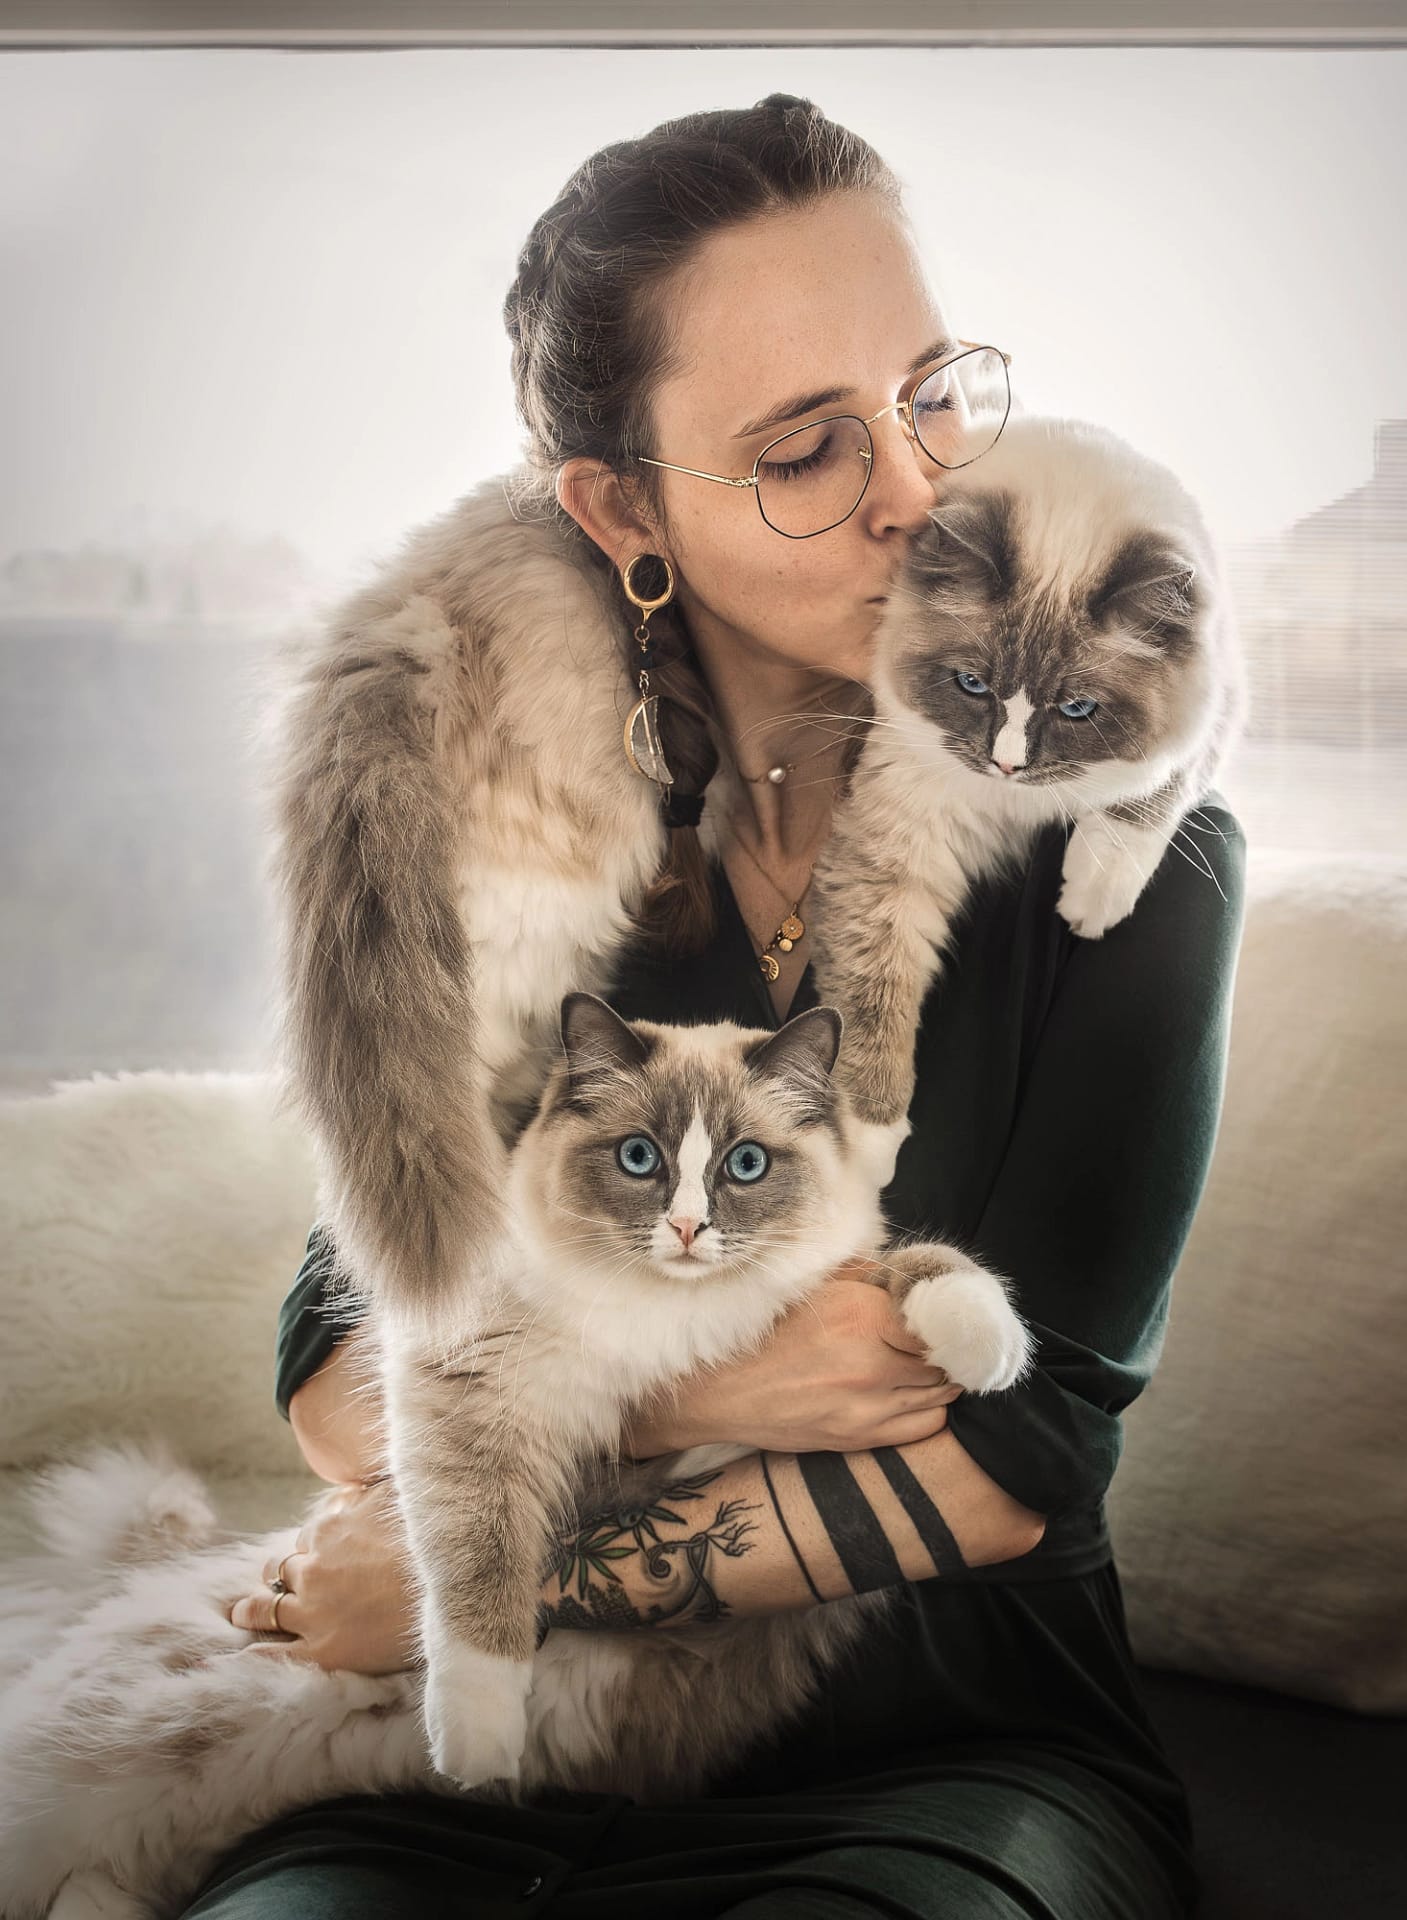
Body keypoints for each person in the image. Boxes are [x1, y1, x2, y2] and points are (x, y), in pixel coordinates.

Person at [198, 94, 1245, 1918]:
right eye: (804, 449)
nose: (922, 490)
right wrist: (742, 1381)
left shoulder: (1131, 849)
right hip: (477, 1767)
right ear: (621, 509)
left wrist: (498, 1541)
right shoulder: (515, 830)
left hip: (955, 1766)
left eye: (932, 390)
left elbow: (1022, 1460)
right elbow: (341, 1358)